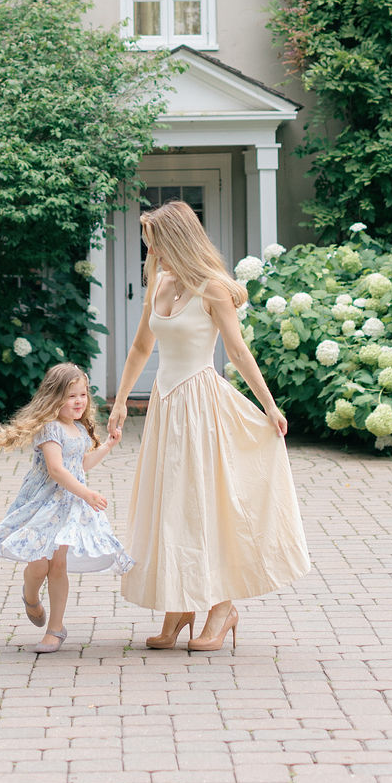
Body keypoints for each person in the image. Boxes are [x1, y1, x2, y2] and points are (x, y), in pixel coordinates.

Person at [109, 200, 310, 651]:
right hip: (165, 405)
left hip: (201, 404)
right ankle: (180, 606)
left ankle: (221, 606)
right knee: (170, 504)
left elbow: (238, 352)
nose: (149, 250)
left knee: (202, 503)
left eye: (153, 241)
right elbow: (142, 346)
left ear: (174, 238)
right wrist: (121, 400)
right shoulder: (159, 283)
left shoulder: (214, 289)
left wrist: (271, 406)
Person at [0, 362, 133, 653]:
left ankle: (55, 629)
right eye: (72, 396)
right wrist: (87, 493)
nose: (79, 402)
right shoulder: (50, 429)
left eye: (83, 395)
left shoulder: (79, 430)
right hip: (44, 505)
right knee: (39, 564)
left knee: (58, 565)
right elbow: (58, 471)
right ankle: (31, 596)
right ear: (54, 397)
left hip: (68, 508)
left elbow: (80, 465)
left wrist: (107, 445)